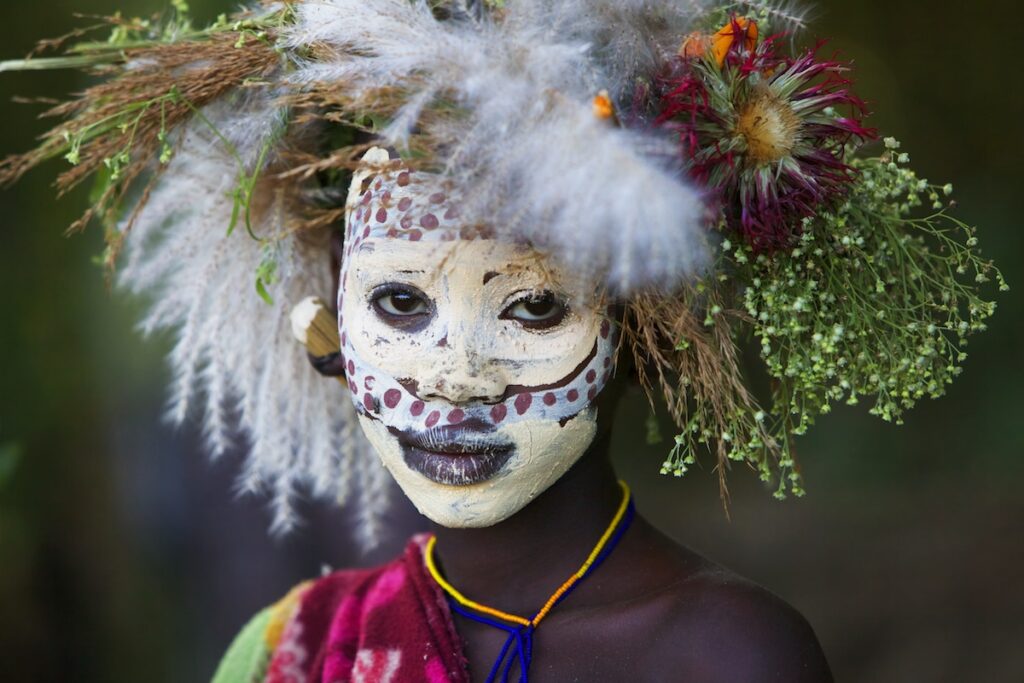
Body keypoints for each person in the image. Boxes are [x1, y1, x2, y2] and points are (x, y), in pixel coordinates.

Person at [0, 1, 1000, 681]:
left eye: (530, 308)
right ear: (326, 331)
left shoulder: (728, 653)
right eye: (398, 304)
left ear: (640, 336)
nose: (453, 374)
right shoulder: (289, 650)